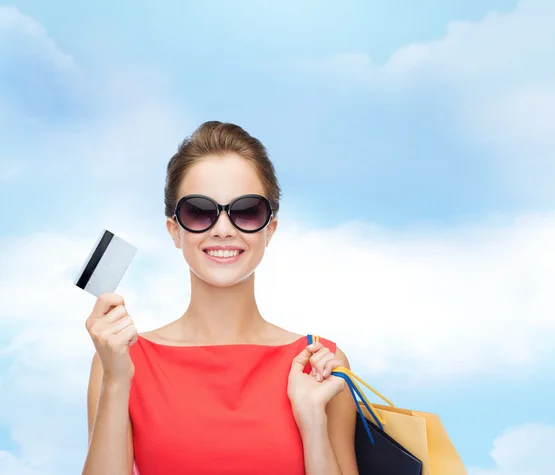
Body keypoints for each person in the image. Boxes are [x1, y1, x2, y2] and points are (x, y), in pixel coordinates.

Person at [82, 121, 359, 475]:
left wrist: (313, 424)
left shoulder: (321, 363)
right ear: (174, 230)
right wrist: (117, 380)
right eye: (199, 211)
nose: (224, 229)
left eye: (246, 211)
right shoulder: (121, 361)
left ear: (269, 229)